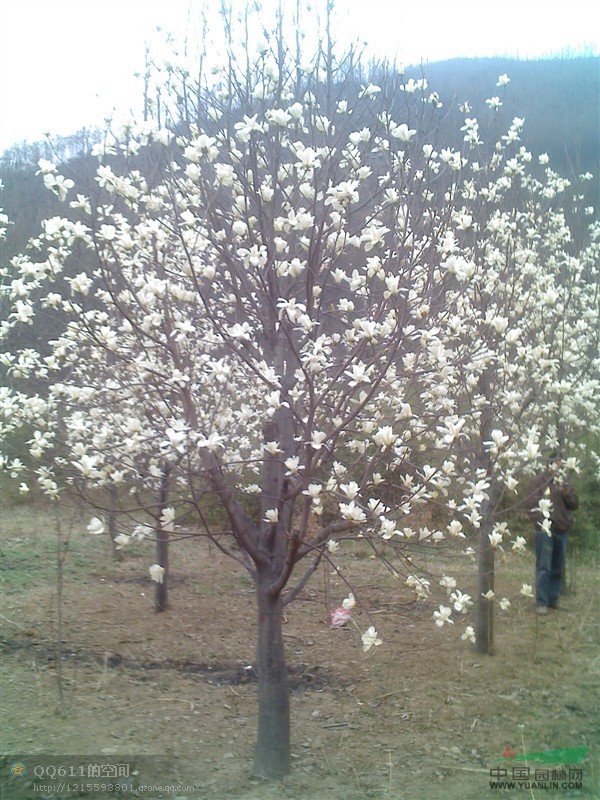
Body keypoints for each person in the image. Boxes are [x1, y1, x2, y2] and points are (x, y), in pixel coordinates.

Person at [526, 456, 579, 615]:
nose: (558, 468)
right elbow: (530, 504)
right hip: (545, 530)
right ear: (549, 465)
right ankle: (541, 602)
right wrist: (540, 524)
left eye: (561, 465)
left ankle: (553, 599)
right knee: (543, 566)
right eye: (556, 464)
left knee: (558, 565)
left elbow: (575, 504)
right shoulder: (538, 482)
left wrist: (567, 494)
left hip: (562, 529)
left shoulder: (565, 483)